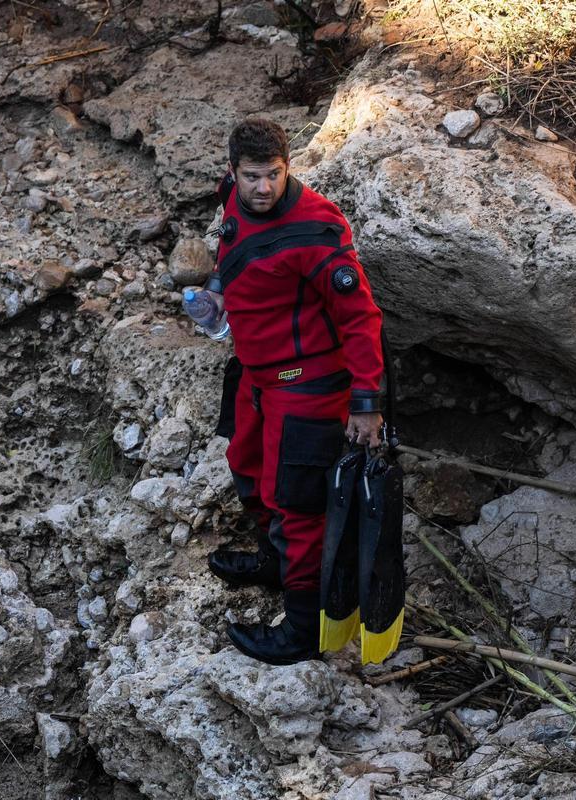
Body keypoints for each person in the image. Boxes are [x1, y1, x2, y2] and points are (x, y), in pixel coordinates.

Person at [204, 118, 385, 665]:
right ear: (232, 172)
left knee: (299, 503)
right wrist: (216, 291)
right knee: (247, 467)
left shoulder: (316, 232)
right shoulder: (234, 202)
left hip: (307, 390)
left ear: (289, 167)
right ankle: (274, 561)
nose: (264, 189)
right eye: (252, 176)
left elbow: (361, 319)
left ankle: (304, 629)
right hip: (256, 376)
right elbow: (235, 251)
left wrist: (367, 402)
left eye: (275, 175)